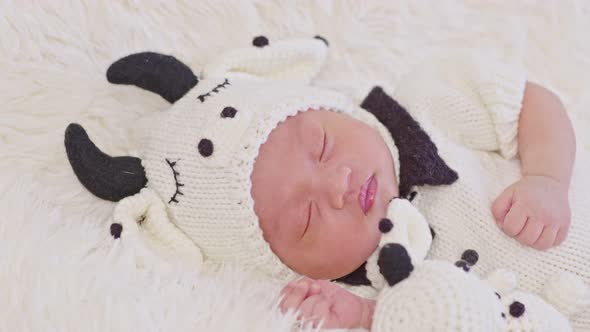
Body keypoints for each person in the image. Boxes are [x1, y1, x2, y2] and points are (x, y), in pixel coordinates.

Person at [64, 36, 590, 330]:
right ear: (286, 264)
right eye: (306, 219)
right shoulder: (359, 285)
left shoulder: (427, 105)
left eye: (321, 145)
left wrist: (547, 178)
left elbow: (530, 104)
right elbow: (429, 318)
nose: (336, 186)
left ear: (332, 107)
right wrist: (367, 317)